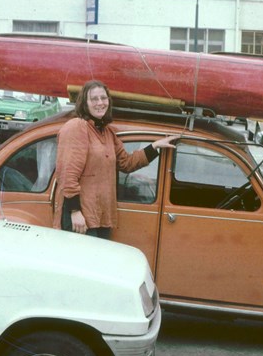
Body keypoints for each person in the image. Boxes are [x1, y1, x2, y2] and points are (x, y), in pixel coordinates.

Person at [53, 80, 177, 238]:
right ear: (85, 103)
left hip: (102, 216)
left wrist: (154, 147)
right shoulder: (77, 127)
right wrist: (75, 211)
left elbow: (126, 163)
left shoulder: (107, 132)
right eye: (94, 99)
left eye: (103, 98)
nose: (100, 103)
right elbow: (67, 174)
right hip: (80, 217)